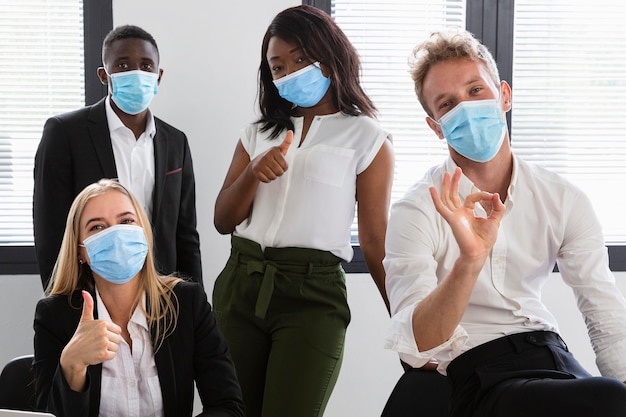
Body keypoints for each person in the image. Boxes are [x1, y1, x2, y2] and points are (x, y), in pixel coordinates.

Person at [383, 28, 626, 417]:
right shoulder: (416, 210)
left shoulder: (563, 198)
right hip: (473, 369)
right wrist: (470, 259)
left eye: (475, 90)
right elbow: (417, 349)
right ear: (435, 126)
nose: (465, 107)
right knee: (609, 400)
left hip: (550, 357)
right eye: (447, 103)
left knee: (615, 396)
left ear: (504, 96)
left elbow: (603, 309)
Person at [212, 5, 394, 417]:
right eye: (277, 67)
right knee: (230, 410)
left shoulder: (368, 138)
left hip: (313, 297)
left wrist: (403, 322)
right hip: (241, 284)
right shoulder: (257, 133)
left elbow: (375, 240)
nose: (289, 73)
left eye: (299, 59)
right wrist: (254, 174)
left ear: (330, 55)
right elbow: (223, 220)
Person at [32, 179, 244, 417]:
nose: (116, 235)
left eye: (126, 221)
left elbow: (227, 406)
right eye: (97, 227)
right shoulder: (54, 316)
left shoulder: (187, 303)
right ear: (81, 250)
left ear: (143, 232)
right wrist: (72, 365)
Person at [33, 24, 202, 291]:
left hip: (161, 290)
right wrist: (63, 301)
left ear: (158, 76)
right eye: (123, 66)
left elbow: (185, 233)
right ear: (104, 75)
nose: (136, 73)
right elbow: (51, 229)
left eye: (146, 66)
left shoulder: (175, 141)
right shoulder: (64, 133)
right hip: (90, 289)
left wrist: (194, 302)